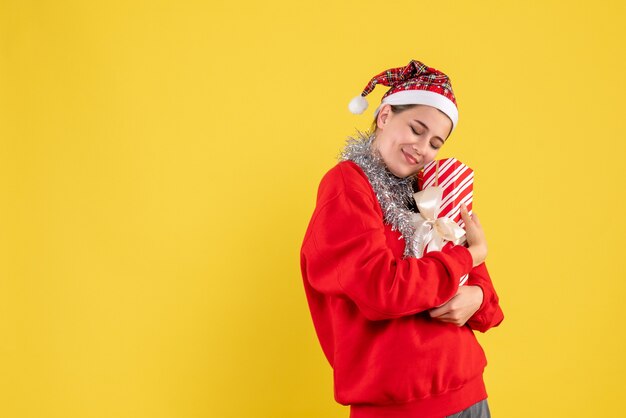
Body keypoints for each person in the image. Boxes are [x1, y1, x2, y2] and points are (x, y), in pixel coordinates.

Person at [299, 59, 504, 418]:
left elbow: (490, 311)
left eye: (435, 142)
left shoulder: (433, 191)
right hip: (400, 407)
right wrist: (469, 257)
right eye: (416, 128)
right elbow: (382, 289)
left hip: (470, 395)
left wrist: (478, 293)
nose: (422, 147)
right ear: (384, 116)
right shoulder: (348, 185)